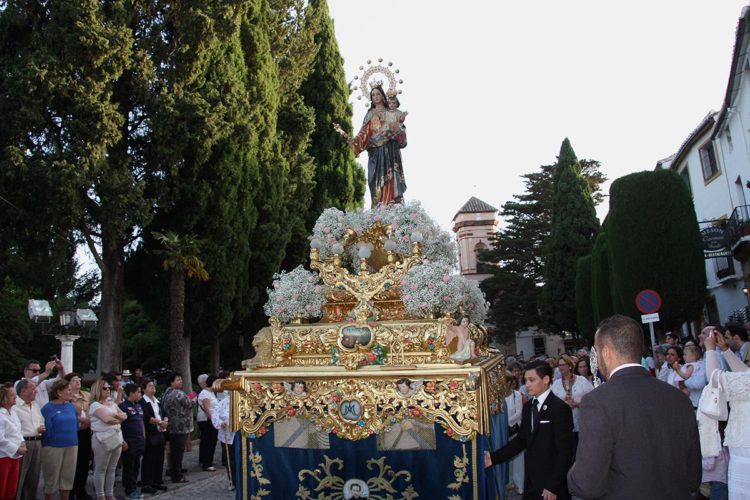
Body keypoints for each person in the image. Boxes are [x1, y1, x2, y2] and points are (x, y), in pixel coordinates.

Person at [567, 315, 701, 499]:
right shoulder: (679, 398)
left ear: (606, 353)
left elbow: (587, 485)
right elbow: (693, 478)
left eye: (596, 352)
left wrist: (573, 471)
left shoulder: (597, 402)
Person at [484, 360, 574, 500]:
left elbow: (565, 452)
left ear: (545, 380)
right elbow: (521, 441)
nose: (527, 384)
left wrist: (553, 485)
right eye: (526, 380)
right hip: (531, 482)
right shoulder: (528, 407)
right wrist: (493, 457)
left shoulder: (560, 409)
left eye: (531, 380)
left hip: (551, 487)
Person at [704, 326, 750, 499]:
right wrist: (725, 350)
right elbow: (744, 373)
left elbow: (714, 378)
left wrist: (710, 350)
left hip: (745, 452)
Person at [349, 85, 407, 206]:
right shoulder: (370, 114)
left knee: (392, 178)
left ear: (383, 96)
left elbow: (401, 132)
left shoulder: (391, 112)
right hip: (376, 154)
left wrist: (398, 131)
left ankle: (392, 205)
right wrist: (354, 142)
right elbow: (363, 134)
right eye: (373, 95)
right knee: (374, 182)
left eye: (378, 94)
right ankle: (379, 209)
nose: (376, 97)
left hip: (391, 151)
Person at [40, 379, 79, 500]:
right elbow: (45, 427)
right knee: (51, 479)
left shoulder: (71, 407)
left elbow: (76, 425)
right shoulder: (47, 408)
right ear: (59, 392)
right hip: (53, 446)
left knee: (67, 478)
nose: (71, 392)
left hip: (72, 445)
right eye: (68, 389)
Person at [89, 379, 126, 500]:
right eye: (105, 388)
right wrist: (118, 418)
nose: (108, 389)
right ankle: (101, 496)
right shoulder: (95, 405)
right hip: (102, 438)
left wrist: (116, 416)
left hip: (116, 436)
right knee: (101, 469)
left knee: (112, 468)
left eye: (109, 387)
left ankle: (110, 494)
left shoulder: (111, 403)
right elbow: (107, 420)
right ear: (98, 390)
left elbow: (125, 414)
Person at [551, 354, 593, 457]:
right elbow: (552, 403)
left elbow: (593, 399)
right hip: (564, 425)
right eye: (559, 365)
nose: (561, 367)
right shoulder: (556, 384)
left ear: (570, 366)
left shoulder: (581, 381)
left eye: (563, 365)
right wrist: (563, 404)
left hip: (581, 422)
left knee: (582, 452)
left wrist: (578, 404)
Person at [14, 378, 44, 500]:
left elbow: (41, 420)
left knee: (34, 477)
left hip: (37, 442)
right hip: (23, 444)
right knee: (20, 477)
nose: (36, 392)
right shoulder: (14, 406)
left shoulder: (35, 405)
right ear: (23, 391)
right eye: (33, 389)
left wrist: (41, 427)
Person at [161, 372, 194, 483]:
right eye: (178, 379)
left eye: (181, 379)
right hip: (180, 426)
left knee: (172, 451)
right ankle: (177, 475)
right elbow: (189, 404)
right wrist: (194, 399)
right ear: (171, 382)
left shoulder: (165, 393)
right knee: (178, 452)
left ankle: (171, 470)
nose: (181, 381)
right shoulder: (179, 393)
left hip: (169, 425)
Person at [65, 372, 93, 500]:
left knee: (84, 462)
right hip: (74, 432)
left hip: (86, 432)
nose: (78, 382)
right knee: (72, 464)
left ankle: (81, 490)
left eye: (79, 379)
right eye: (74, 380)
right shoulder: (67, 396)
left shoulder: (87, 395)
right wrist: (83, 419)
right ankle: (70, 492)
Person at [139, 379, 168, 494]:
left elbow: (164, 413)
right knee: (149, 459)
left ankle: (157, 481)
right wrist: (159, 422)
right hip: (150, 433)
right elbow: (145, 417)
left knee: (159, 458)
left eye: (153, 385)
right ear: (144, 389)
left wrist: (165, 421)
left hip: (160, 432)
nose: (152, 387)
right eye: (149, 386)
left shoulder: (157, 401)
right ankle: (147, 483)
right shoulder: (143, 402)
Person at [119, 384, 145, 500]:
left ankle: (134, 488)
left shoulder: (139, 406)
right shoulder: (123, 406)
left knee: (136, 466)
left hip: (139, 440)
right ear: (131, 393)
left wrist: (144, 437)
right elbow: (119, 425)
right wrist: (122, 440)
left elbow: (141, 422)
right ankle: (128, 490)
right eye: (138, 392)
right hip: (129, 441)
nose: (140, 394)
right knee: (129, 467)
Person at [0, 383, 25, 500]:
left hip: (15, 456)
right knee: (2, 488)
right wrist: (17, 448)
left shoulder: (13, 412)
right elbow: (1, 439)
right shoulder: (1, 415)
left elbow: (18, 431)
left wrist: (22, 442)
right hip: (3, 457)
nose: (15, 397)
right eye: (11, 395)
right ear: (3, 398)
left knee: (11, 489)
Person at [504, 371, 525, 495]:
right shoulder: (498, 396)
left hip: (515, 430)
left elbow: (519, 413)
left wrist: (504, 422)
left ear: (510, 383)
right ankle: (509, 482)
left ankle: (520, 484)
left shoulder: (517, 395)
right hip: (503, 432)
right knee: (506, 458)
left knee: (518, 459)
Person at [211, 395, 235, 490]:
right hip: (227, 435)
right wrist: (221, 423)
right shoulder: (223, 402)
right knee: (230, 460)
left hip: (240, 435)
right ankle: (232, 481)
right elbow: (215, 415)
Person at [197, 375, 218, 472]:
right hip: (206, 420)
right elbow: (207, 409)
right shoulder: (205, 393)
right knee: (208, 441)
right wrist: (213, 421)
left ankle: (208, 460)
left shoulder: (211, 393)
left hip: (211, 420)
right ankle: (206, 463)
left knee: (211, 441)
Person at [673, 344, 706, 408]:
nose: (683, 356)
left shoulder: (690, 366)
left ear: (693, 356)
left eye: (685, 354)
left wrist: (677, 370)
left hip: (690, 390)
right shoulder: (699, 364)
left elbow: (686, 376)